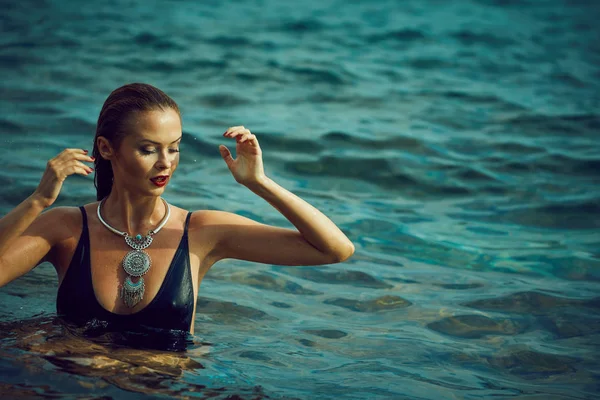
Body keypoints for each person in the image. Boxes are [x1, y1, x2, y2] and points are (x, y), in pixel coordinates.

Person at [0, 83, 355, 337]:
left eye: (174, 148)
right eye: (148, 149)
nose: (165, 163)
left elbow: (334, 250)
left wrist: (258, 182)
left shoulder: (201, 231)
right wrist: (37, 202)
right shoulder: (65, 227)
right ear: (107, 149)